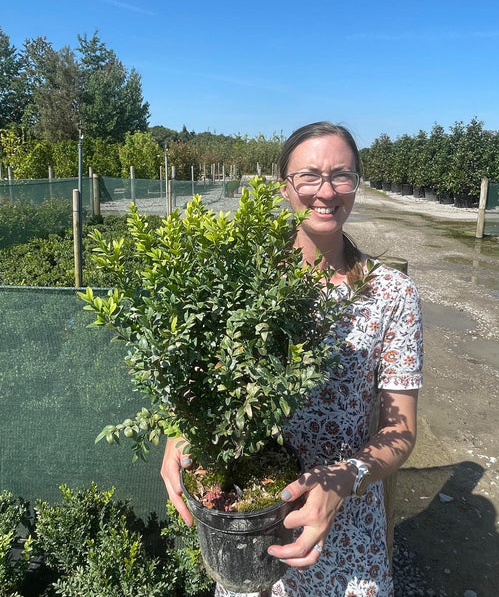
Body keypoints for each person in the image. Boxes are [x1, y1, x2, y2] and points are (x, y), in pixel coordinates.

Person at [161, 121, 423, 597]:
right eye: (309, 176)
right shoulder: (243, 281)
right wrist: (182, 432)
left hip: (345, 531)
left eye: (341, 175)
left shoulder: (391, 294)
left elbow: (399, 432)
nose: (326, 191)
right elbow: (202, 375)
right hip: (249, 515)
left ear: (356, 187)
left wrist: (344, 478)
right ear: (284, 187)